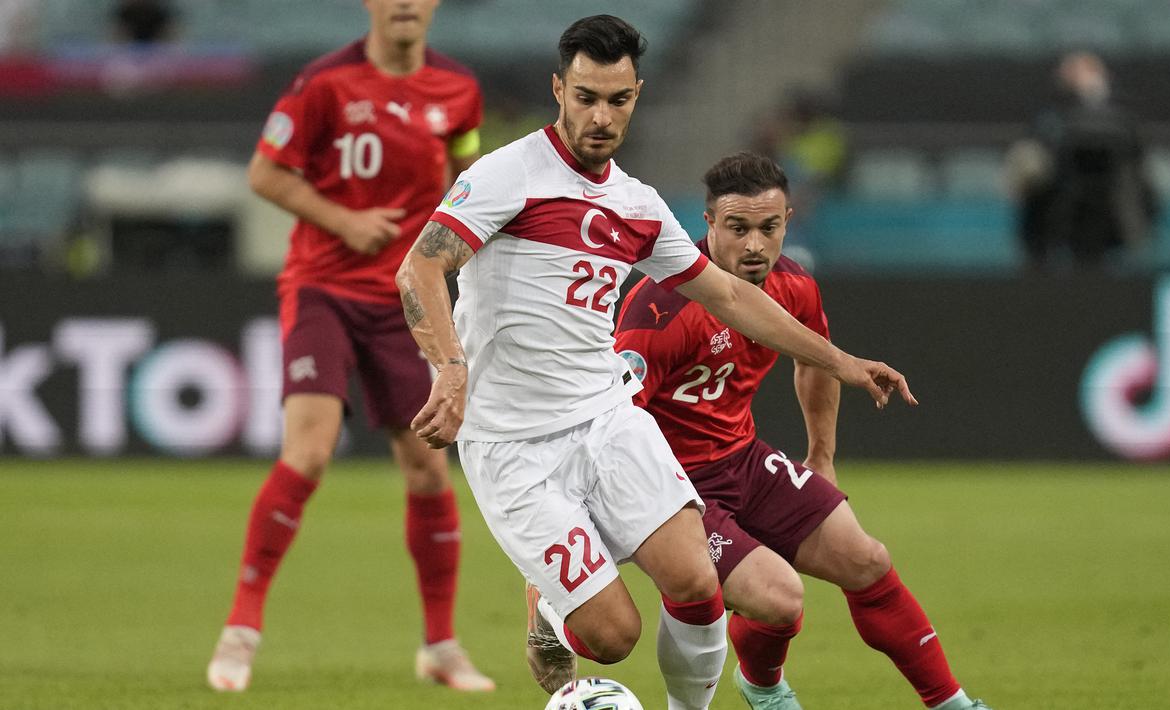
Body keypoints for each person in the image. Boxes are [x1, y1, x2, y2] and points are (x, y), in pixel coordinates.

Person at [395, 15, 917, 710]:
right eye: (586, 97)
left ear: (636, 95)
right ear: (559, 90)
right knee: (614, 636)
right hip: (513, 444)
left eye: (617, 100)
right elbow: (420, 268)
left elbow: (730, 295)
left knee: (697, 582)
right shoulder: (505, 175)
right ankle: (553, 610)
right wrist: (451, 369)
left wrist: (840, 360)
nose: (601, 116)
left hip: (608, 421)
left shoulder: (636, 204)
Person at [613, 152, 991, 710]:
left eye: (769, 228)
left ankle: (952, 704)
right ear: (708, 223)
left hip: (742, 459)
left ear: (788, 220)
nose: (755, 246)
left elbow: (814, 362)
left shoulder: (794, 285)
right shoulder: (661, 309)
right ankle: (765, 690)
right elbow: (614, 421)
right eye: (737, 229)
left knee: (866, 560)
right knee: (781, 598)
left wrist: (822, 454)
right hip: (675, 486)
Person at [206, 0, 492, 694]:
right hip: (324, 289)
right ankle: (240, 631)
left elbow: (469, 185)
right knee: (308, 451)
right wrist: (344, 220)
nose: (404, 4)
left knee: (427, 468)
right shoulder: (324, 83)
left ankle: (440, 646)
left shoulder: (459, 90)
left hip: (404, 301)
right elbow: (264, 173)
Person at [1006, 51, 1157, 271]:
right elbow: (1036, 152)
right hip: (1053, 207)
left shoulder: (1119, 114)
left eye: (1084, 72)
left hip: (1104, 210)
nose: (1076, 78)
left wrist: (1094, 98)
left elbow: (1131, 152)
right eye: (1070, 73)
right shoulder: (1049, 115)